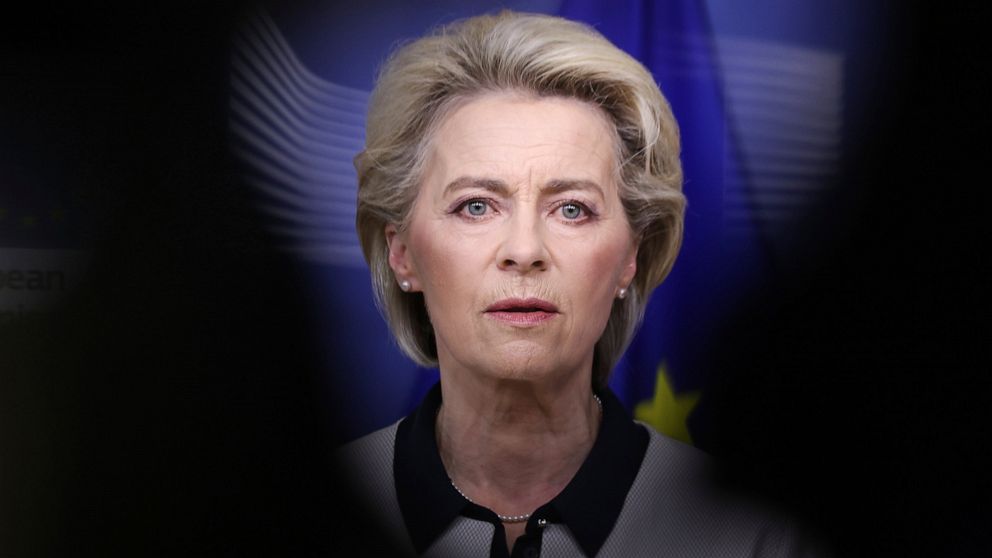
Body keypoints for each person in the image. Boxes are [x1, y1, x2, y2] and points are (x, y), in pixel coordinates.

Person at [337, 10, 820, 557]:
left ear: (630, 256)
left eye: (572, 209)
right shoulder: (299, 513)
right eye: (476, 206)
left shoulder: (753, 536)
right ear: (402, 254)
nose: (525, 251)